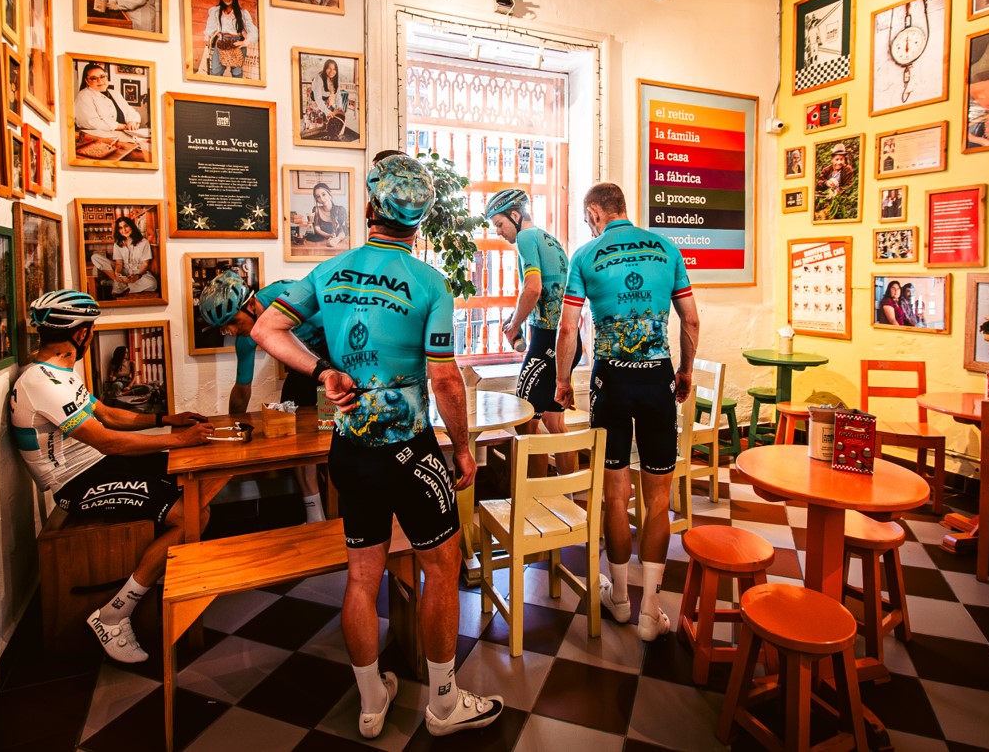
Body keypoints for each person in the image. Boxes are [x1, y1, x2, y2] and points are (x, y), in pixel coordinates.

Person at [251, 154, 504, 739]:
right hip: (411, 453)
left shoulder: (332, 271)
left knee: (362, 577)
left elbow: (267, 328)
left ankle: (371, 703)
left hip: (350, 451)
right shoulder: (429, 284)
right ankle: (443, 704)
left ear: (368, 209)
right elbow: (444, 379)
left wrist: (323, 373)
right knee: (442, 567)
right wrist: (462, 449)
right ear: (419, 222)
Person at [9, 290, 213, 663]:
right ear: (83, 334)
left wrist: (166, 420)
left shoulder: (55, 373)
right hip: (75, 484)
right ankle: (114, 614)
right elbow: (109, 443)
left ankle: (165, 576)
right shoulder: (42, 383)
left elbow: (105, 413)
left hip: (98, 466)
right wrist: (178, 438)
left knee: (195, 483)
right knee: (191, 516)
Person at [554, 182, 699, 642]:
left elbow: (568, 327)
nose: (587, 223)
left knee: (614, 494)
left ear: (596, 211)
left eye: (586, 217)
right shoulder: (665, 247)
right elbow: (691, 319)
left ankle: (618, 599)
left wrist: (562, 381)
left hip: (610, 381)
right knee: (659, 497)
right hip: (657, 378)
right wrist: (685, 371)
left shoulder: (586, 255)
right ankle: (650, 610)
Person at [197, 271, 329, 524]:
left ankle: (343, 513)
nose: (233, 331)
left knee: (333, 435)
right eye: (226, 327)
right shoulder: (246, 338)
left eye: (234, 322)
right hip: (305, 368)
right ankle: (315, 517)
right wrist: (232, 426)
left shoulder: (287, 296)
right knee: (293, 434)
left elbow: (343, 323)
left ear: (250, 305)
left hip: (337, 360)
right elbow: (242, 388)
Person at [485, 188, 581, 477]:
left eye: (500, 224)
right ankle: (568, 496)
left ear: (515, 215)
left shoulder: (526, 238)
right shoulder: (549, 239)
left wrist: (513, 325)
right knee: (555, 424)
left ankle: (537, 498)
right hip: (569, 342)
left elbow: (533, 288)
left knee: (524, 421)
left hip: (546, 343)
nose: (499, 232)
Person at [91, 217, 158, 297]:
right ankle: (118, 281)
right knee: (95, 257)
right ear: (118, 230)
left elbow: (145, 264)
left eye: (126, 226)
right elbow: (119, 263)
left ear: (131, 226)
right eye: (120, 228)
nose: (124, 230)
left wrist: (137, 276)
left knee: (152, 284)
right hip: (123, 271)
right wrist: (117, 273)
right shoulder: (118, 243)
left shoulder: (144, 242)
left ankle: (119, 284)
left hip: (138, 272)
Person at [204, 0, 258, 78]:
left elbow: (252, 30)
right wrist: (207, 36)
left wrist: (245, 42)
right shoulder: (217, 11)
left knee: (236, 72)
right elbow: (211, 26)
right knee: (216, 71)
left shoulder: (242, 13)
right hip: (222, 41)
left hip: (236, 42)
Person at [74, 62, 141, 132]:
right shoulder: (84, 96)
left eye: (102, 76)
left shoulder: (115, 93)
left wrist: (132, 122)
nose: (99, 81)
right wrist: (121, 126)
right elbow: (90, 122)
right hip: (100, 137)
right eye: (93, 78)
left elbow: (130, 111)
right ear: (87, 81)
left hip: (123, 133)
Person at [310, 58, 347, 140]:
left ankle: (329, 135)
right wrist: (327, 112)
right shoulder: (318, 78)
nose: (331, 71)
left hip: (326, 100)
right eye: (329, 68)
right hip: (316, 101)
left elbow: (338, 95)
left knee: (329, 122)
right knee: (317, 123)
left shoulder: (336, 79)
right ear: (325, 68)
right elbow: (318, 99)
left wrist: (340, 107)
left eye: (334, 69)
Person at [309, 181, 348, 247]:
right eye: (318, 197)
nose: (322, 198)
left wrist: (336, 239)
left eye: (323, 194)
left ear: (329, 194)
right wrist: (328, 235)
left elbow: (343, 230)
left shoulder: (340, 209)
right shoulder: (316, 209)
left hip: (340, 243)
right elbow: (317, 229)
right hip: (321, 244)